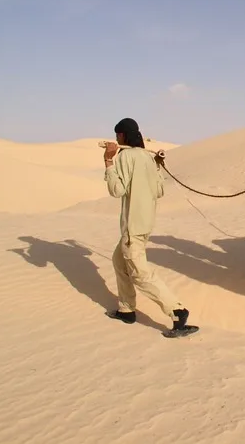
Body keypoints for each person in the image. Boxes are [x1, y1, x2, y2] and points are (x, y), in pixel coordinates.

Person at [103, 117, 199, 338]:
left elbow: (117, 190)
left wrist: (109, 162)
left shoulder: (125, 156)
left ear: (123, 136)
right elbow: (159, 191)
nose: (116, 138)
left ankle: (177, 311)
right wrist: (155, 166)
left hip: (132, 228)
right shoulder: (148, 158)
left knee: (140, 273)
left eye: (118, 135)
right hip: (145, 225)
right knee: (119, 261)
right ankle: (126, 309)